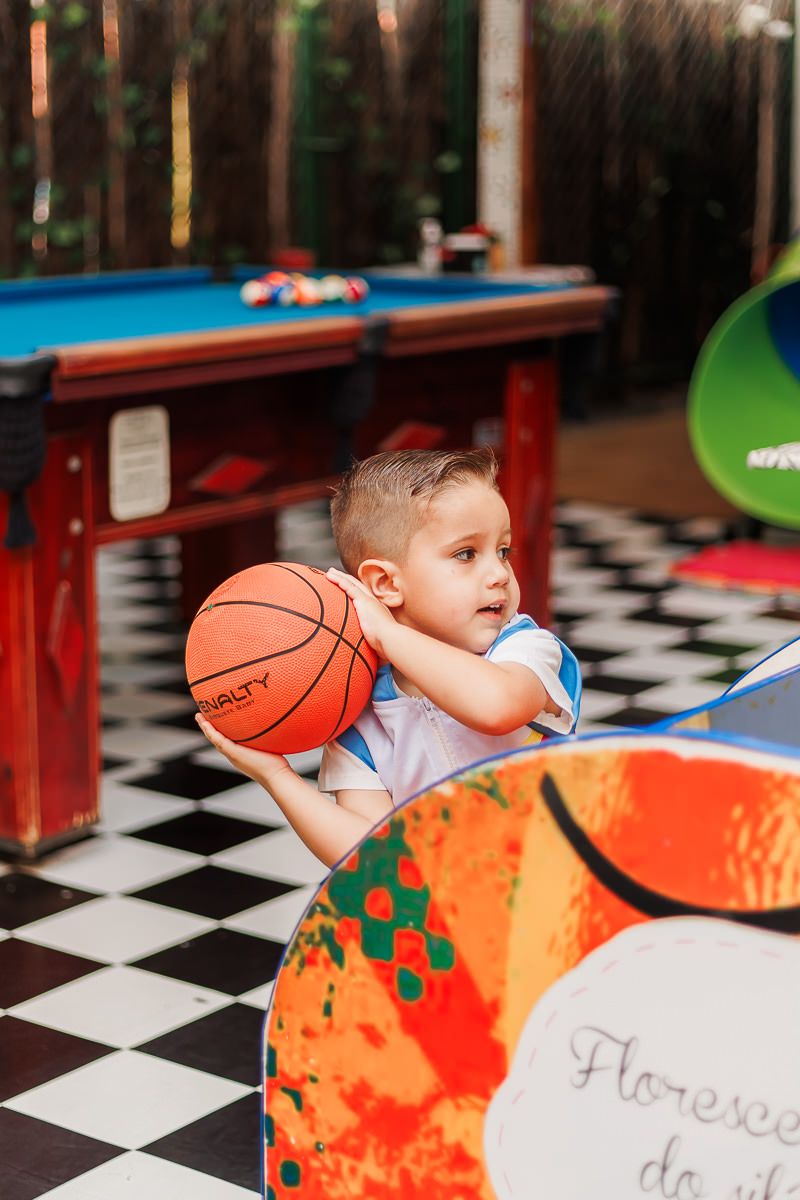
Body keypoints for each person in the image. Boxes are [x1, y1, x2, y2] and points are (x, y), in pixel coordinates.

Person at [195, 447, 581, 867]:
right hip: (449, 918)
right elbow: (368, 856)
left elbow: (496, 707)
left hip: (558, 890)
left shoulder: (524, 649)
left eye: (503, 551)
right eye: (466, 554)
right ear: (384, 584)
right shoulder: (359, 716)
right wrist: (277, 776)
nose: (499, 574)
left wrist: (388, 634)